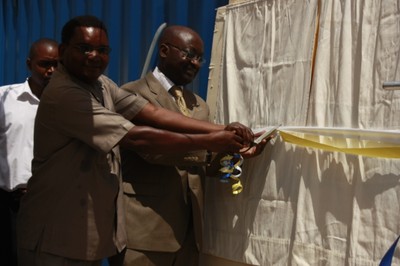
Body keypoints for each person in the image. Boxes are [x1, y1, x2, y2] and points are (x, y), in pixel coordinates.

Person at [16, 15, 256, 265]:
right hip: (56, 233)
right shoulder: (65, 94)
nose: (94, 56)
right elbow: (139, 139)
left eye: (102, 50)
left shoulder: (102, 85)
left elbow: (152, 113)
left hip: (90, 233)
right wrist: (213, 140)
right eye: (84, 48)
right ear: (63, 51)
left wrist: (223, 132)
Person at [108, 25, 268, 266]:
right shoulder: (133, 94)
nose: (195, 63)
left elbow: (206, 165)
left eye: (200, 59)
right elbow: (155, 151)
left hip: (189, 234)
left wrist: (238, 155)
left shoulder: (198, 105)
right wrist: (215, 143)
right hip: (144, 233)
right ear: (163, 50)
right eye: (189, 54)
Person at [0, 38, 58, 266]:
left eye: (57, 64)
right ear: (29, 64)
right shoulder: (5, 100)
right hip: (11, 207)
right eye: (44, 64)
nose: (51, 71)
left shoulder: (69, 105)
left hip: (55, 206)